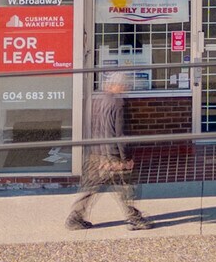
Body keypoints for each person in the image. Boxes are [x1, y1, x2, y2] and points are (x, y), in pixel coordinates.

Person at [65, 71, 152, 231]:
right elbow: (120, 133)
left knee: (90, 187)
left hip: (95, 152)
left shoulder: (95, 99)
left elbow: (87, 126)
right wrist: (126, 158)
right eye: (124, 84)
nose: (126, 87)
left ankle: (75, 217)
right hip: (112, 155)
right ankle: (134, 218)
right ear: (116, 85)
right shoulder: (118, 103)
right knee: (126, 187)